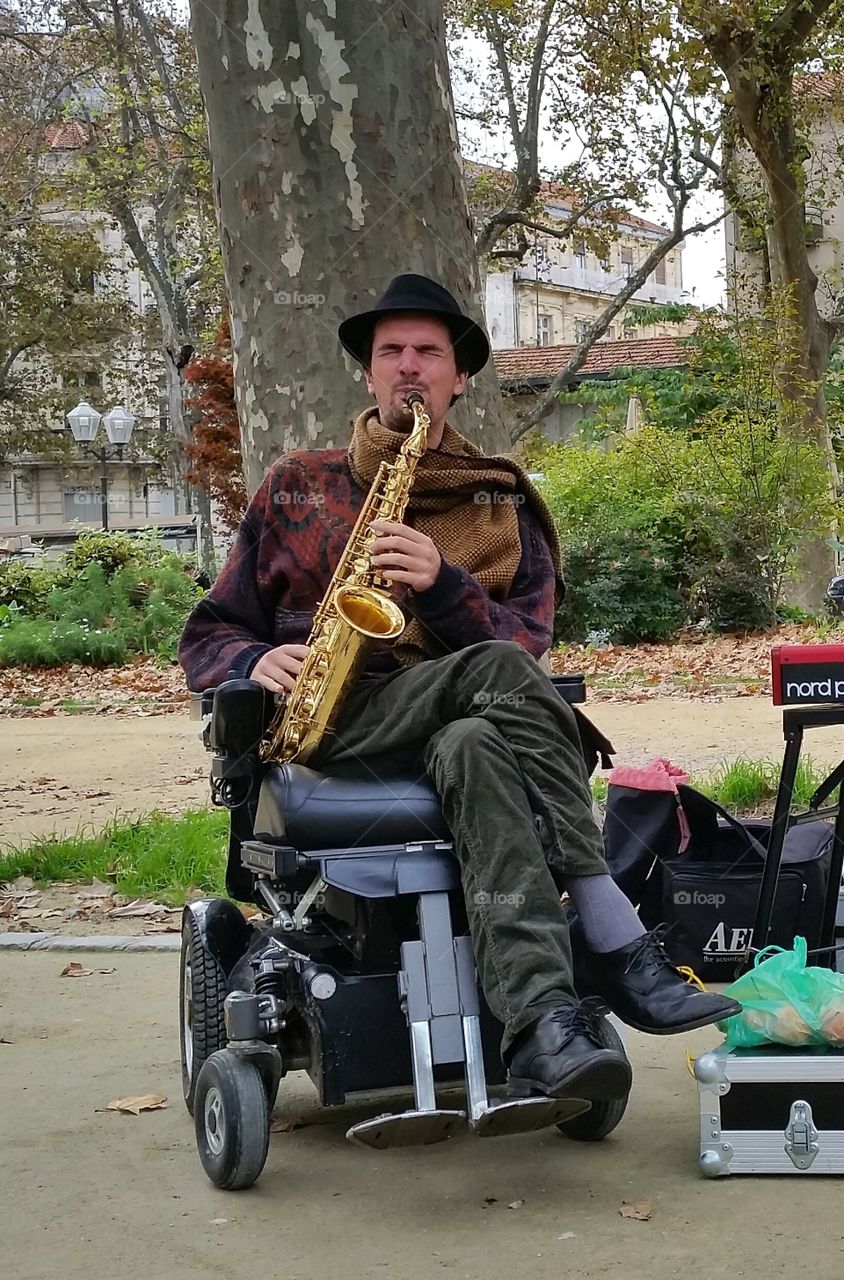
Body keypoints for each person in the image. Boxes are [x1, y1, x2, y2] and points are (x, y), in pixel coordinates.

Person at [178, 273, 739, 1106]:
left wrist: (444, 585)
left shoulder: (499, 499)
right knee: (493, 675)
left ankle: (542, 1025)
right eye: (392, 352)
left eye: (428, 353)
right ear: (368, 374)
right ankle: (610, 928)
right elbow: (208, 632)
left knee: (479, 735)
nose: (410, 367)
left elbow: (528, 647)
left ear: (460, 375)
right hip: (330, 722)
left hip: (465, 721)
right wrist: (250, 663)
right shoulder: (297, 484)